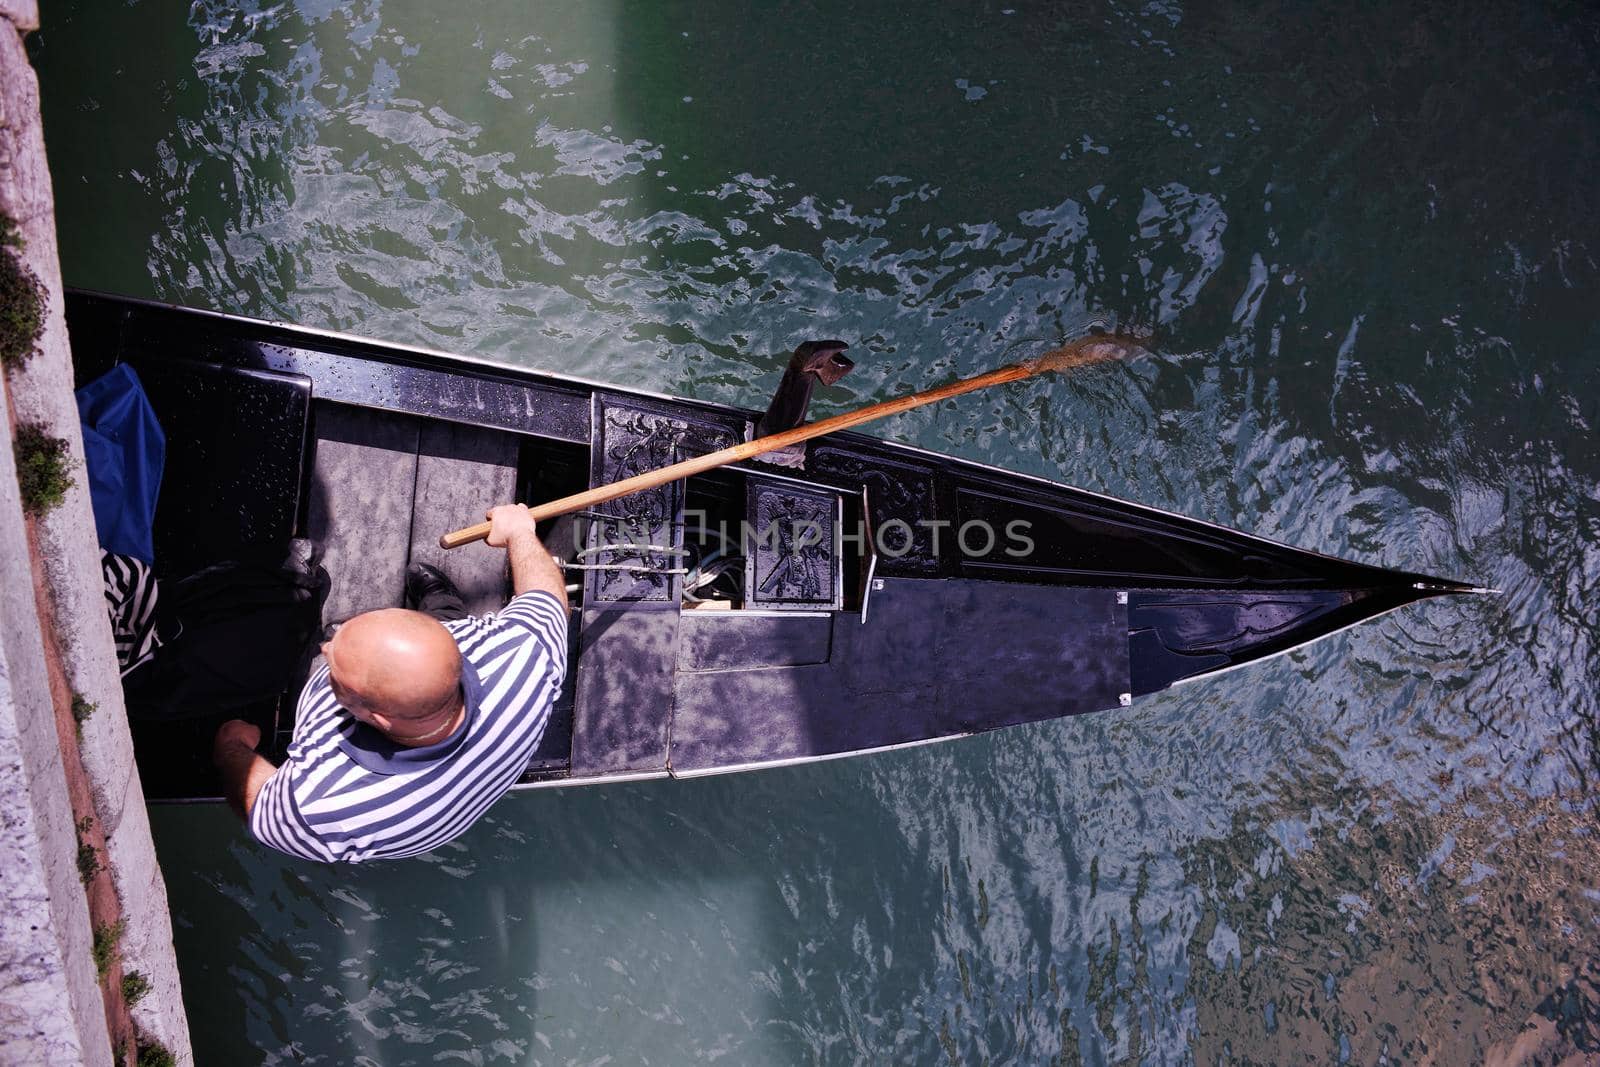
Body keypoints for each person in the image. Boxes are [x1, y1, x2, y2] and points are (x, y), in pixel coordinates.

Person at [212, 505, 568, 863]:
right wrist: (520, 532)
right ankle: (440, 608)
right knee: (434, 625)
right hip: (441, 680)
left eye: (335, 671)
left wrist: (231, 747)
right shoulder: (526, 656)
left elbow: (260, 804)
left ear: (377, 717)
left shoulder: (322, 806)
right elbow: (547, 599)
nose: (325, 646)